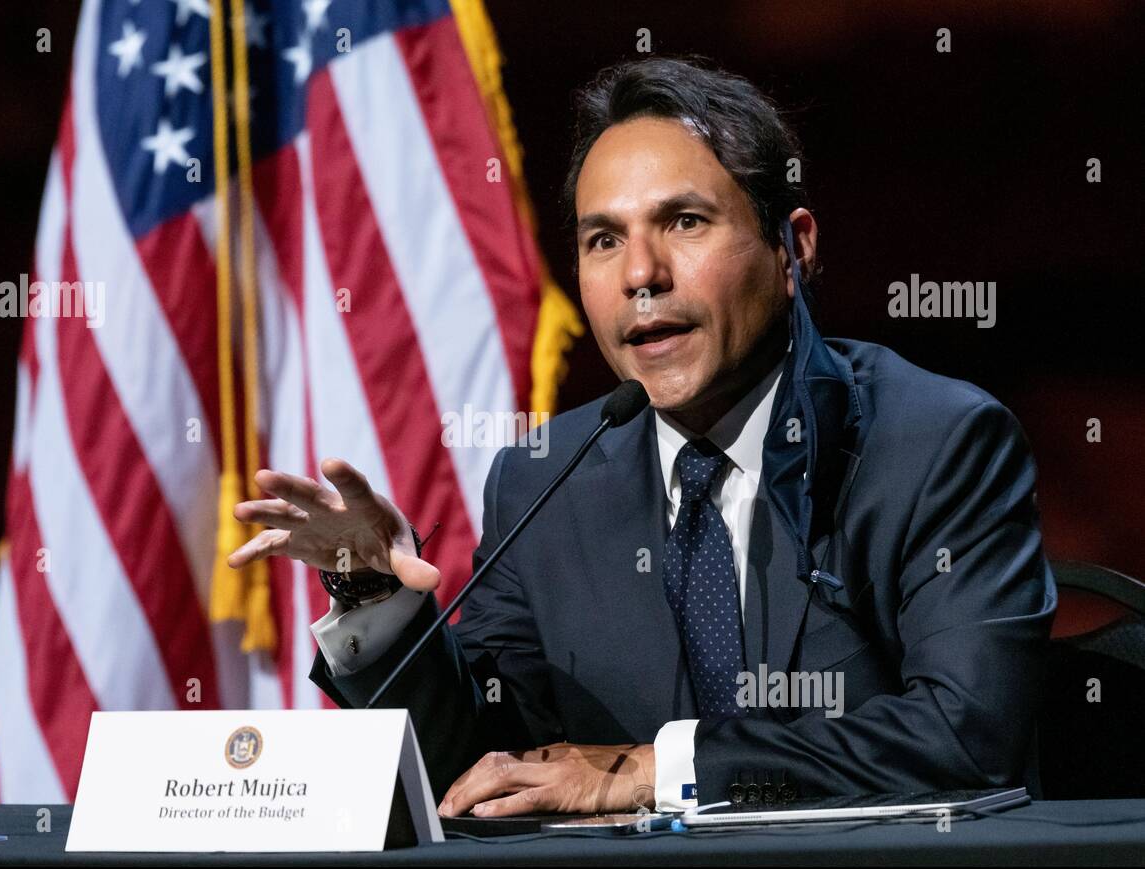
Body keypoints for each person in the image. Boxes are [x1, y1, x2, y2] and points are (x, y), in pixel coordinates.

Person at [227, 56, 1056, 818]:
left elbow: (968, 737)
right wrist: (380, 602)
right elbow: (478, 764)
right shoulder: (544, 478)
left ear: (792, 247)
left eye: (686, 222)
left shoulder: (936, 444)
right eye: (603, 240)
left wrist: (659, 768)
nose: (641, 275)